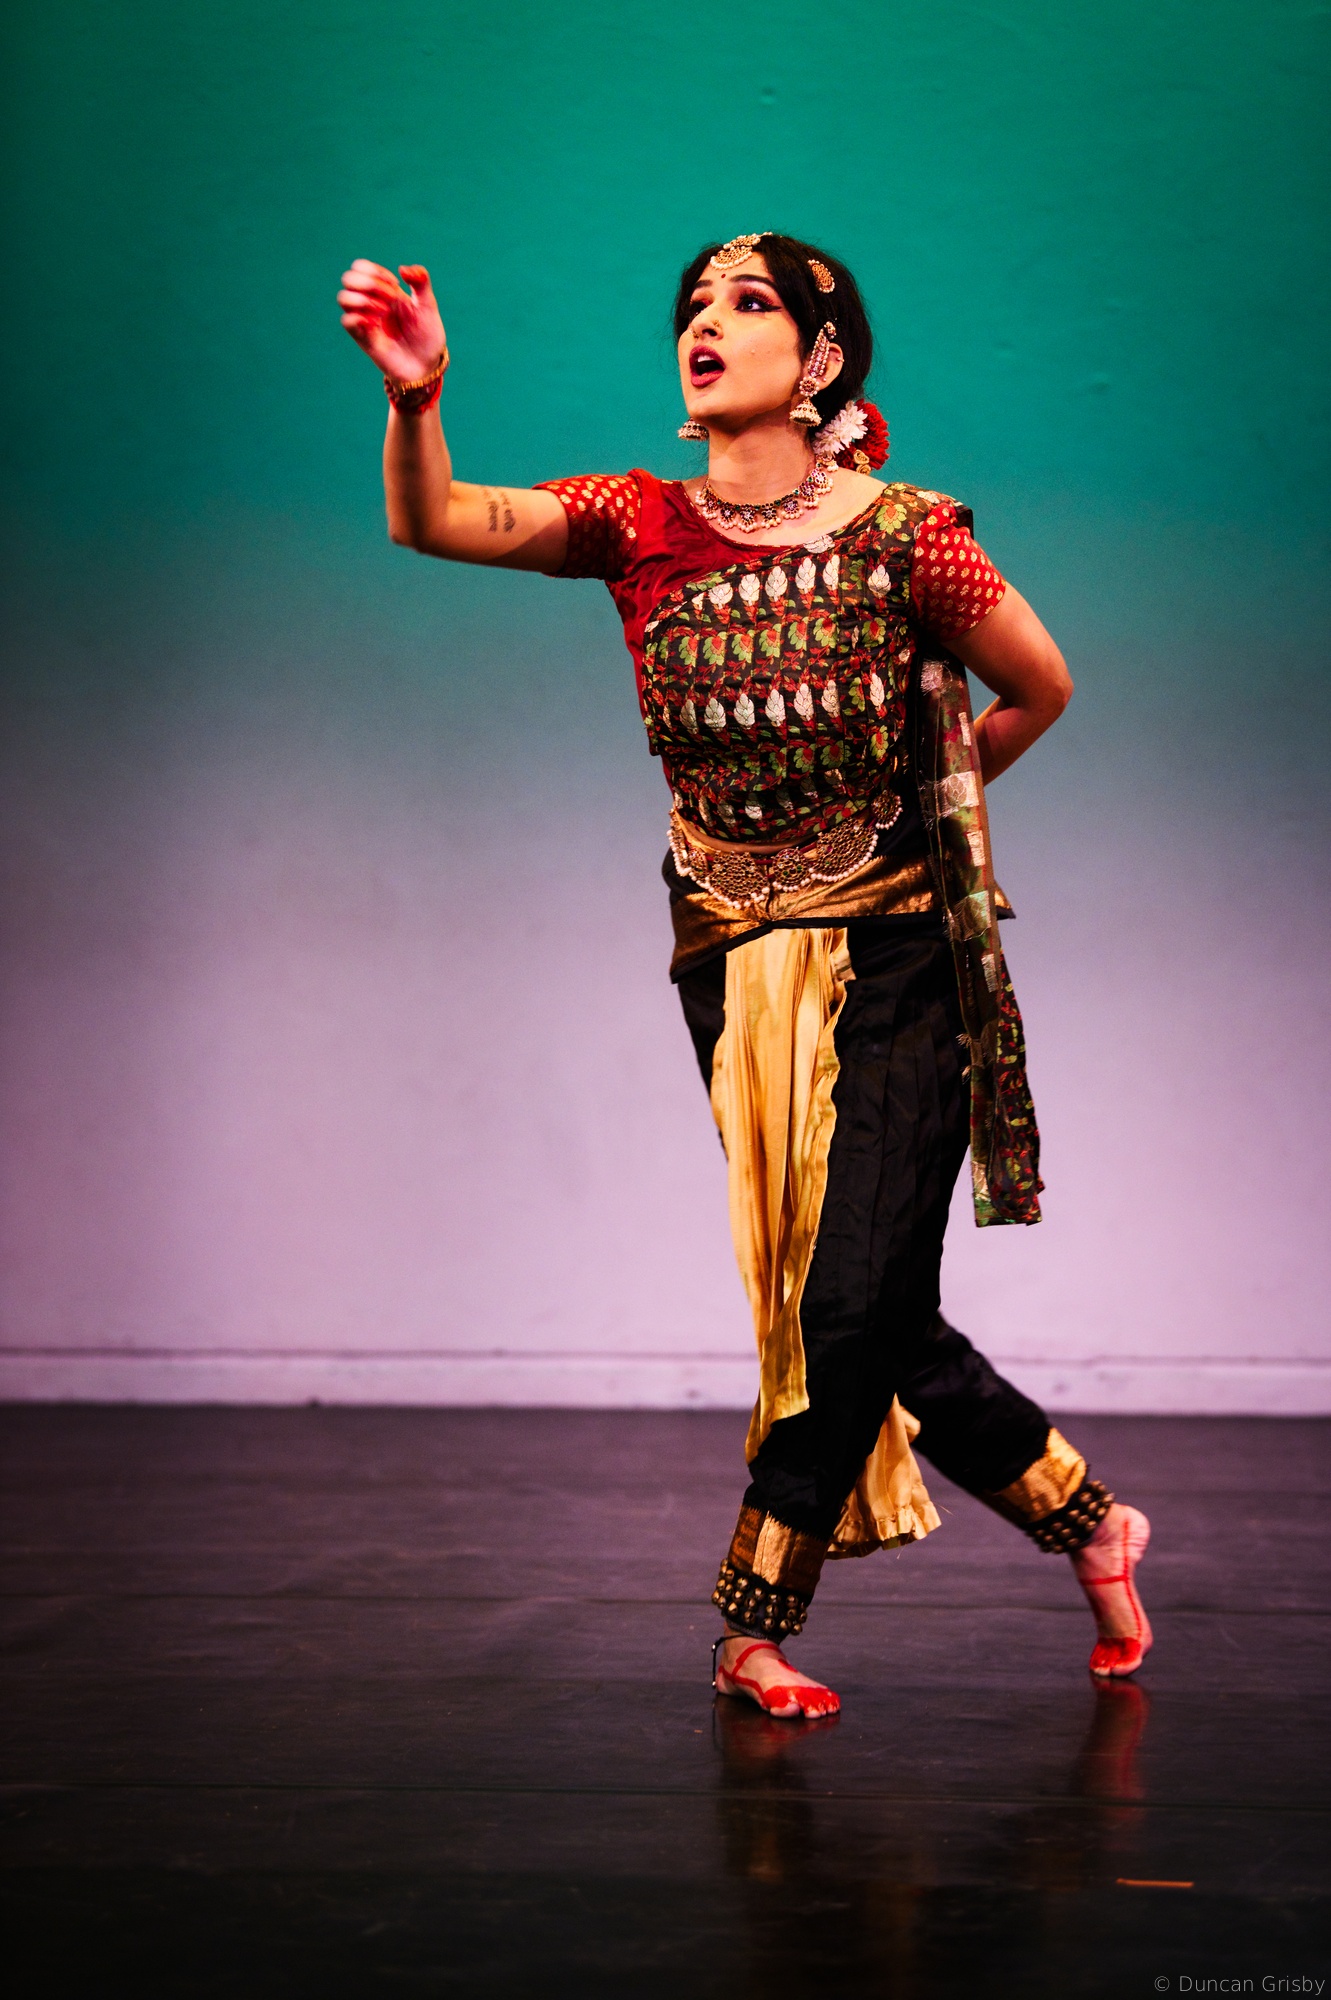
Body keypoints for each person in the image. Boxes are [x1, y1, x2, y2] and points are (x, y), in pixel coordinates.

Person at [337, 231, 1153, 1720]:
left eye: (749, 302)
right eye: (694, 306)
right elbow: (434, 521)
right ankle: (1089, 1520)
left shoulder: (909, 537)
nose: (706, 323)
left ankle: (750, 1622)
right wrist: (417, 397)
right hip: (727, 963)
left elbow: (1039, 686)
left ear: (820, 358)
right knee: (873, 1310)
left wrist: (929, 810)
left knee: (842, 1310)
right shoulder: (637, 521)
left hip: (898, 957)